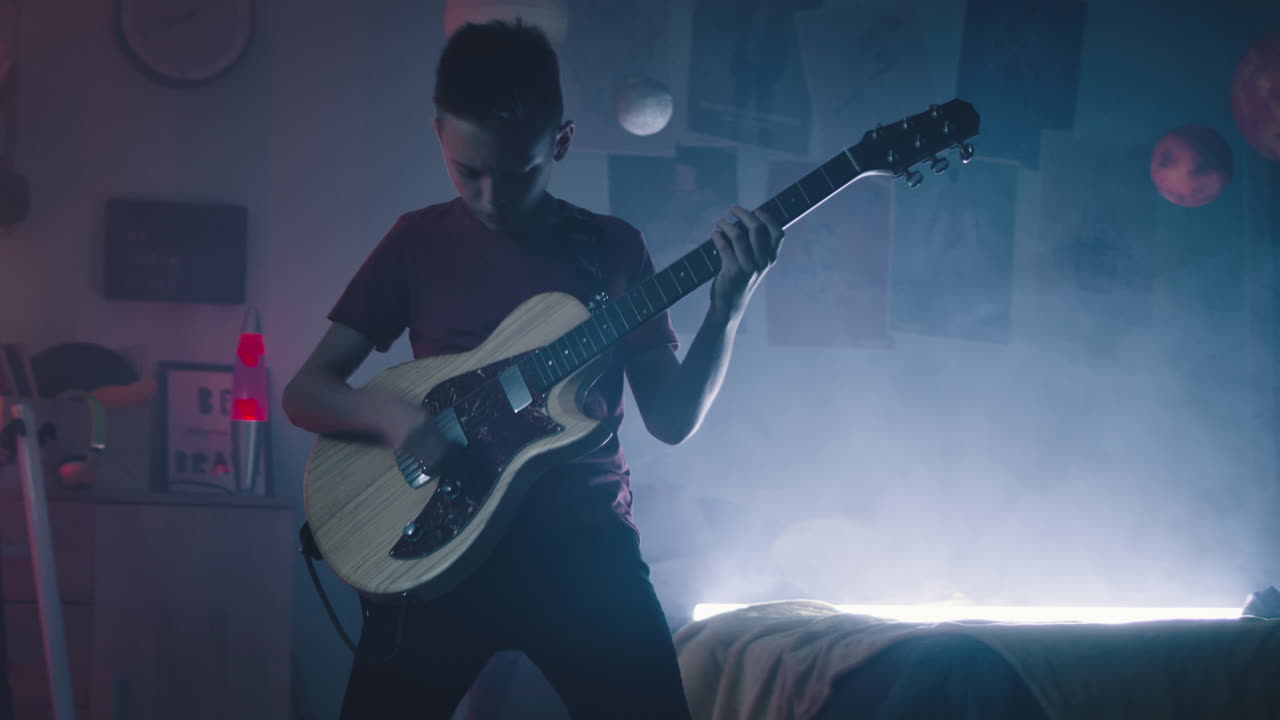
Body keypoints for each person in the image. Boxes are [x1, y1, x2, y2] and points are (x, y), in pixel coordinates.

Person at [282, 19, 785, 720]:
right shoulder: (416, 243)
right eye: (468, 172)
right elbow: (305, 392)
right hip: (441, 549)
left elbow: (670, 420)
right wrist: (394, 415)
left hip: (584, 551)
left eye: (516, 174)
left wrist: (726, 309)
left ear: (562, 142)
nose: (490, 197)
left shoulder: (611, 249)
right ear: (439, 137)